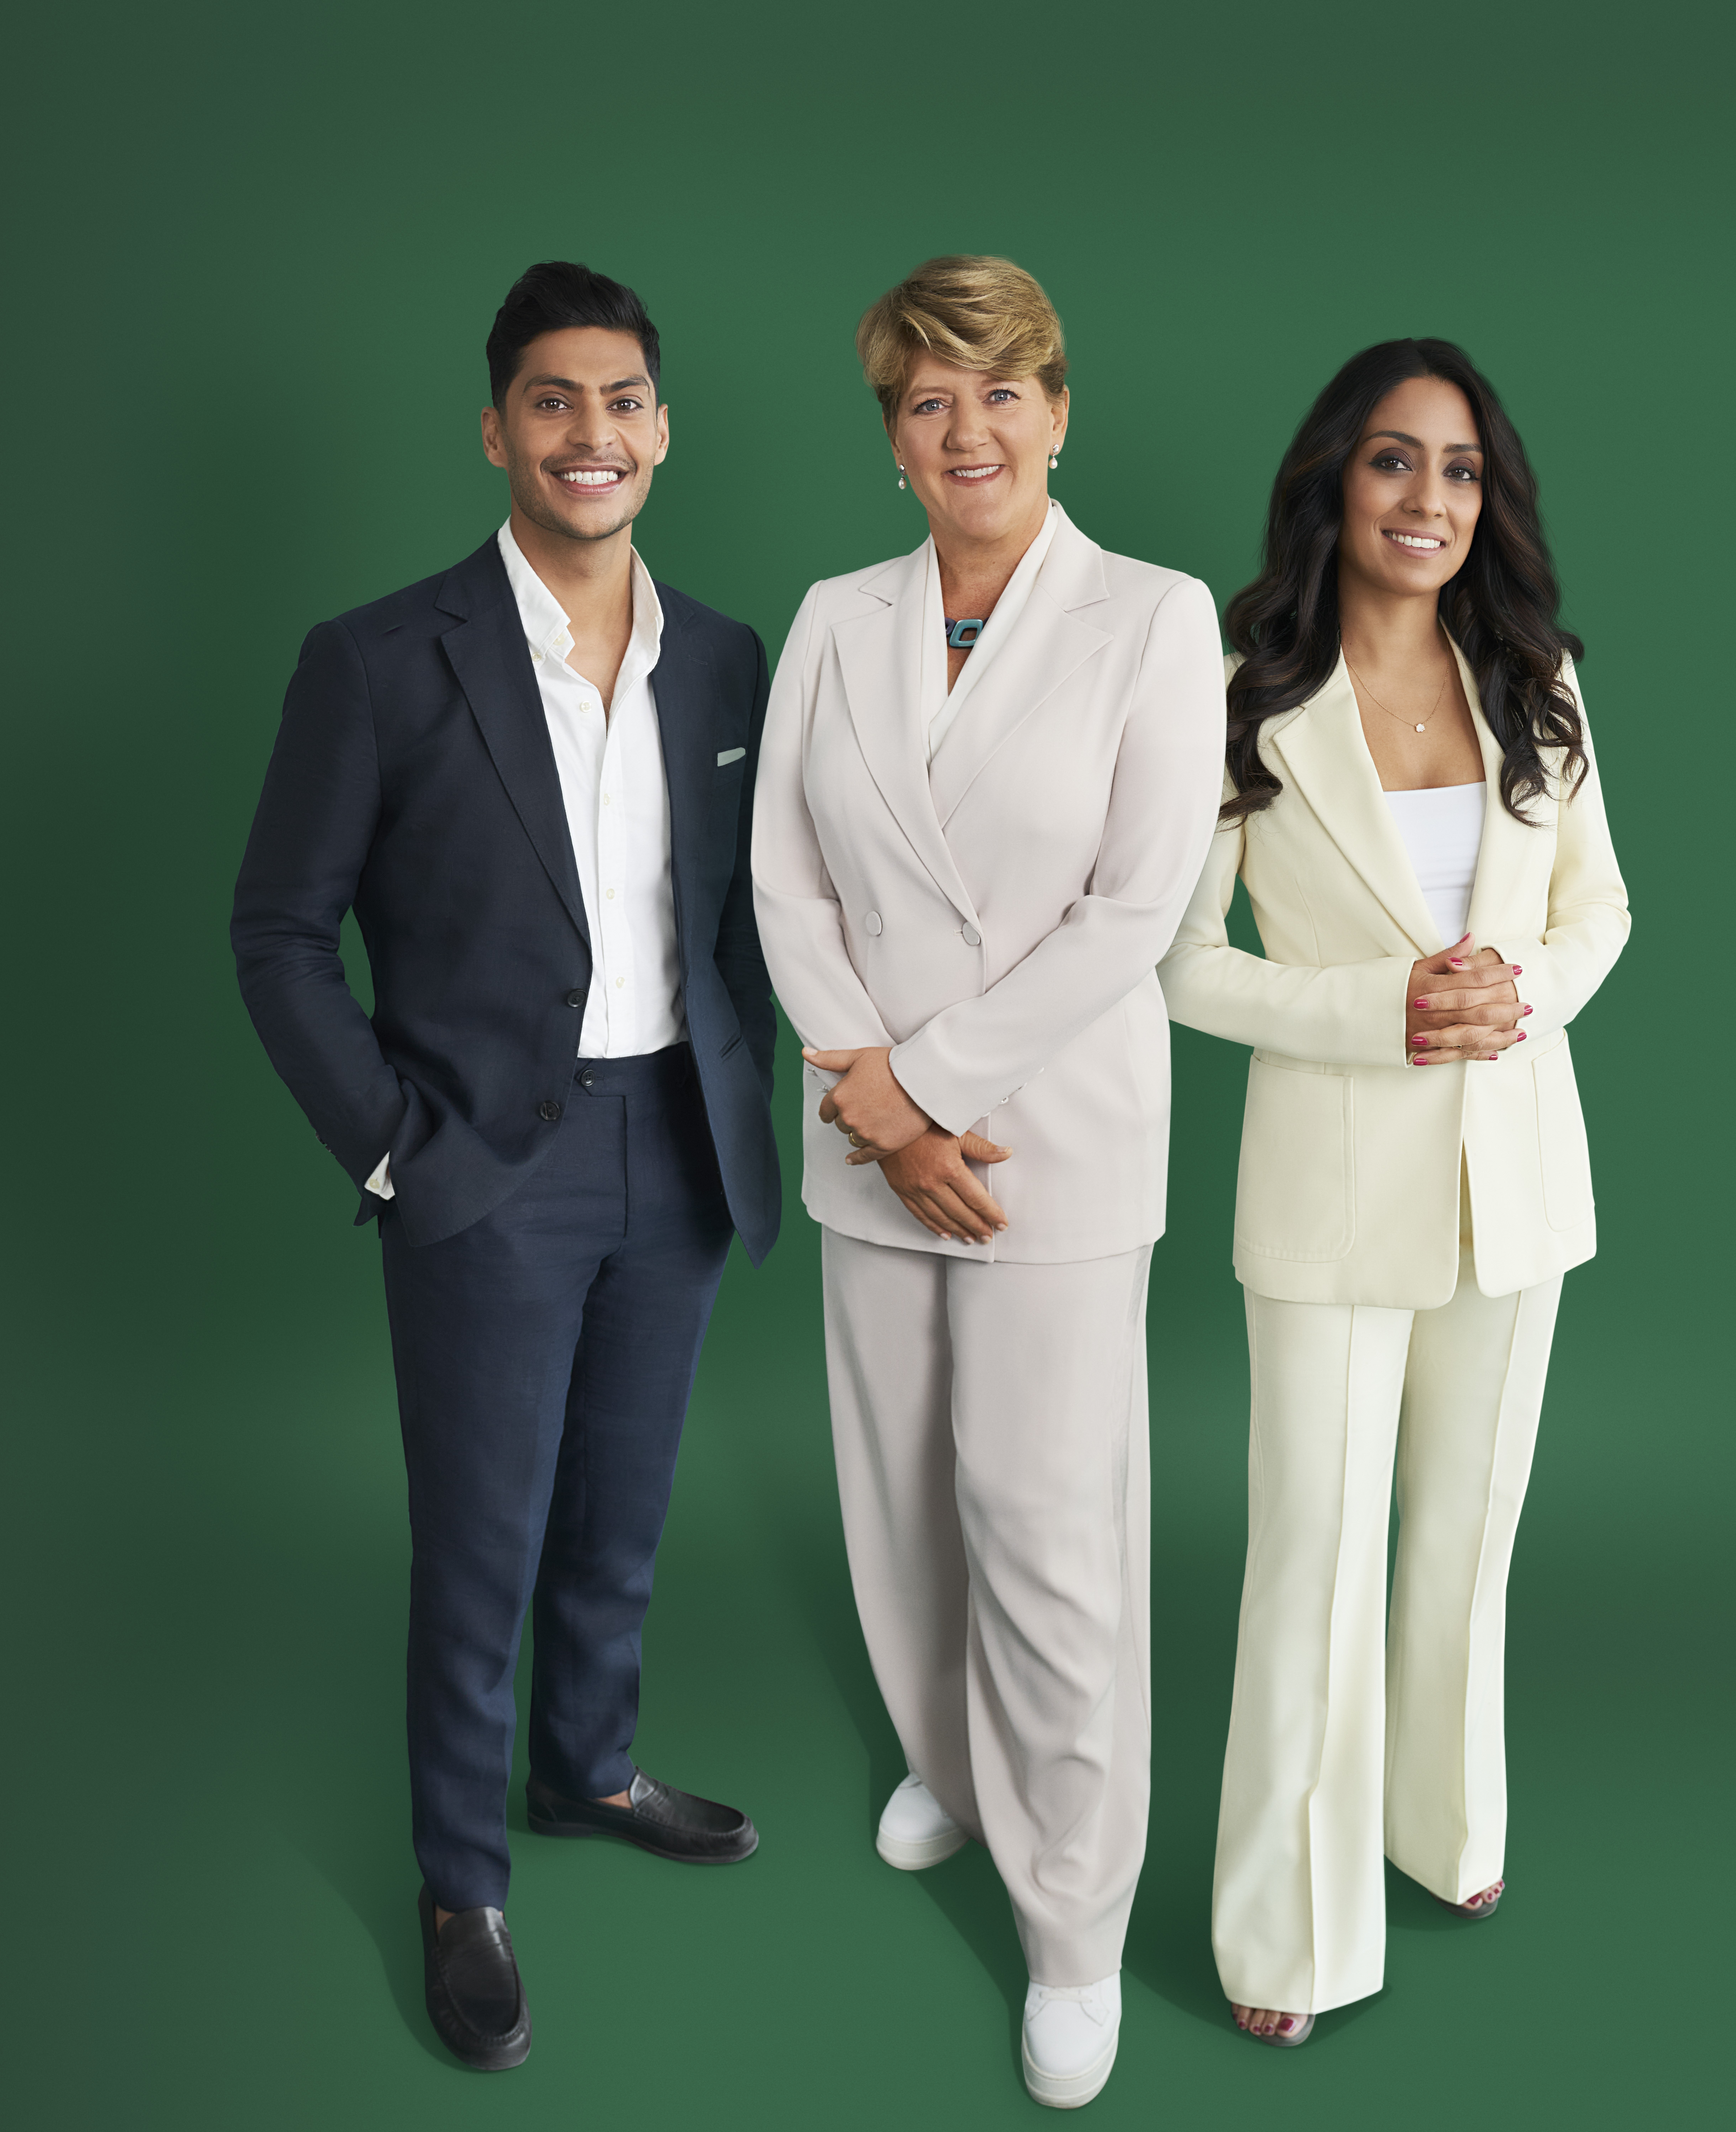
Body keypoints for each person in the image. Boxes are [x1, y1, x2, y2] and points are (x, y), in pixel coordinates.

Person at [231, 262, 779, 2071]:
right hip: (480, 1171)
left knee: (618, 1522)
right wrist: (395, 1154)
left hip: (675, 1153)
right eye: (554, 401)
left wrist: (745, 1079)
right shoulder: (379, 659)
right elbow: (280, 935)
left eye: (622, 400)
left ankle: (587, 1770)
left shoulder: (724, 658)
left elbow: (743, 922)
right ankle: (462, 1883)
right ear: (497, 431)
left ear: (662, 430)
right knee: (483, 1548)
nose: (592, 433)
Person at [751, 255, 1224, 2107]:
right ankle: (951, 1761)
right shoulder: (833, 617)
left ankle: (1074, 1926)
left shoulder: (1153, 618)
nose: (968, 429)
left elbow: (1137, 907)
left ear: (1058, 407)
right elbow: (783, 876)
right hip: (874, 1150)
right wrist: (877, 1112)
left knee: (1045, 1534)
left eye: (1000, 390)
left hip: (1050, 1151)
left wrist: (928, 1093)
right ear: (890, 438)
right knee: (897, 1500)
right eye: (926, 401)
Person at [1157, 339, 1630, 2046]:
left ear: (1483, 504)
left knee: (1471, 1536)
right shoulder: (1240, 690)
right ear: (1330, 486)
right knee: (1315, 1554)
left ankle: (1445, 1828)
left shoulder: (1540, 679)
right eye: (1391, 463)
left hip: (1521, 1177)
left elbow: (1602, 914)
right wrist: (1384, 1011)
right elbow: (1180, 964)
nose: (1427, 500)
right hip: (1331, 1181)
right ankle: (1285, 1938)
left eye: (1459, 472)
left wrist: (1521, 995)